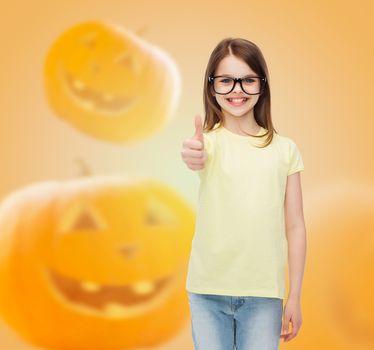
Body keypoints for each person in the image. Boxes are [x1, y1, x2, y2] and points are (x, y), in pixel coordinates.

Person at [180, 37, 306, 350]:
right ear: (212, 87)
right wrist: (192, 154)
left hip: (264, 296)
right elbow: (195, 156)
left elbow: (296, 226)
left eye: (248, 80)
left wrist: (295, 296)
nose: (237, 90)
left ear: (262, 85)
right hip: (207, 292)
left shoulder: (284, 150)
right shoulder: (206, 145)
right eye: (226, 81)